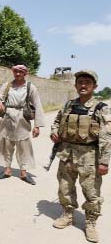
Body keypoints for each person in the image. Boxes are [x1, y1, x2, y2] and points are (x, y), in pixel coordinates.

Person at [50, 70, 110, 243]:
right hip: (67, 153)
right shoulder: (68, 105)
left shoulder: (102, 108)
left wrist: (104, 162)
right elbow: (56, 122)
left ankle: (90, 222)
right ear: (75, 85)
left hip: (90, 156)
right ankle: (68, 214)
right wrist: (54, 132)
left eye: (87, 82)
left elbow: (107, 138)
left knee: (92, 191)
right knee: (65, 187)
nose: (83, 85)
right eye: (80, 82)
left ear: (94, 86)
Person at [0, 64, 45, 185]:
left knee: (24, 146)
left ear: (25, 73)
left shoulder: (30, 87)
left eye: (20, 72)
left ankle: (23, 172)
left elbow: (37, 105)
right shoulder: (7, 86)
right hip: (7, 117)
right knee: (6, 144)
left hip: (22, 117)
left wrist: (37, 126)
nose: (17, 74)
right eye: (15, 71)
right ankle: (7, 170)